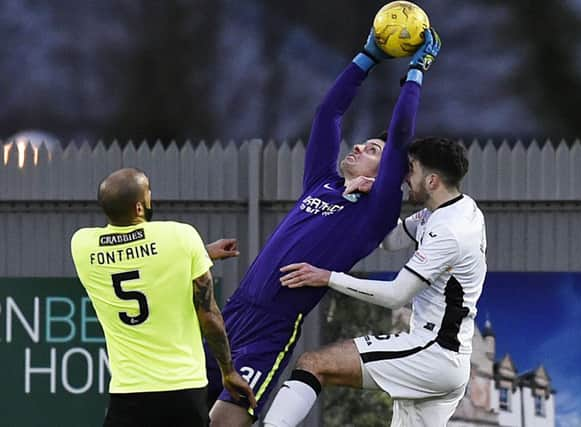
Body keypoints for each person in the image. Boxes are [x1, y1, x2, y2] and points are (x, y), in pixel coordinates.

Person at [206, 28, 442, 426]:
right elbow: (328, 114)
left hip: (269, 332)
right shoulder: (322, 182)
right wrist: (366, 57)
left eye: (372, 150)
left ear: (388, 172)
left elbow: (401, 136)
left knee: (225, 423)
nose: (358, 147)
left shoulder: (376, 211)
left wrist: (417, 70)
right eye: (362, 143)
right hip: (231, 315)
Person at [263, 137, 487, 427]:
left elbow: (396, 295)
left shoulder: (449, 230)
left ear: (431, 181)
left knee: (314, 364)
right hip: (448, 360)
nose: (404, 177)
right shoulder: (456, 208)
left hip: (432, 353)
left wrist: (328, 277)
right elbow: (391, 240)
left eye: (411, 170)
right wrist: (372, 198)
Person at [70, 168, 255, 427]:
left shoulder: (82, 245)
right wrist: (228, 372)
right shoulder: (180, 236)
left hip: (129, 391)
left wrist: (201, 254)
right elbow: (210, 318)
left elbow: (136, 262)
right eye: (148, 194)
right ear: (138, 207)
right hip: (184, 389)